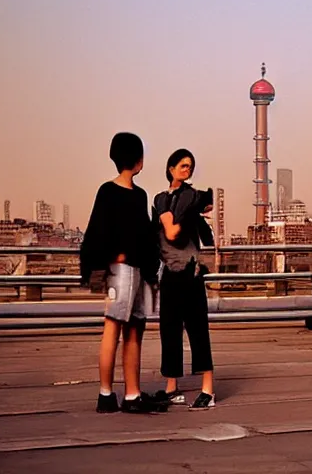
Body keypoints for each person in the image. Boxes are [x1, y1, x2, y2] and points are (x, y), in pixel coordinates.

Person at [80, 132, 163, 414]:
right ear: (138, 161)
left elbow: (97, 233)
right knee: (121, 329)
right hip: (129, 269)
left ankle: (125, 394)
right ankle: (114, 394)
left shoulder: (112, 192)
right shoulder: (135, 196)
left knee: (125, 329)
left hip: (123, 269)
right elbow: (144, 235)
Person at [152, 149, 215, 410]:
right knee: (169, 328)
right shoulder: (162, 198)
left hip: (191, 270)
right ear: (170, 168)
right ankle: (171, 387)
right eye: (182, 165)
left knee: (197, 328)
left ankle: (208, 391)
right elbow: (168, 229)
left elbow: (175, 231)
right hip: (168, 270)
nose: (186, 170)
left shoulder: (191, 196)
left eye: (190, 166)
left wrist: (195, 208)